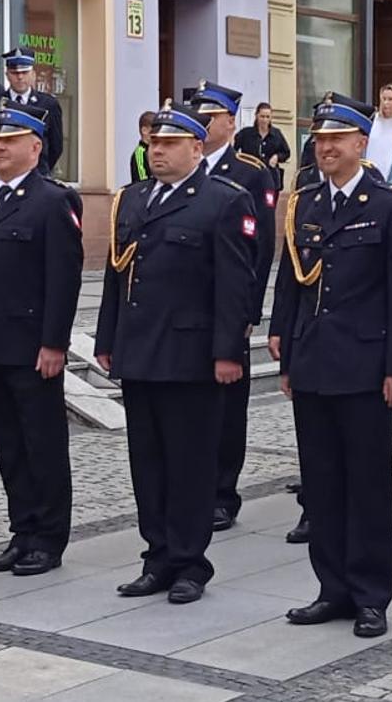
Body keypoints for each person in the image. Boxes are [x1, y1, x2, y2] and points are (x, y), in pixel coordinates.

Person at [270, 92, 392, 640]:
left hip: (365, 366)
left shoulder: (389, 205)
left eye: (337, 138)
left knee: (366, 484)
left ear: (362, 143)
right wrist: (284, 345)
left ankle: (370, 595)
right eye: (320, 139)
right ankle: (331, 587)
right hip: (313, 362)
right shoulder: (306, 203)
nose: (326, 147)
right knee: (322, 483)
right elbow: (292, 279)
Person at [95, 101, 255, 605]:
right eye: (153, 143)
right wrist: (106, 338)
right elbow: (116, 276)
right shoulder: (132, 199)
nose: (157, 150)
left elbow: (236, 285)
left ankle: (190, 563)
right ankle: (157, 555)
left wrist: (229, 351)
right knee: (148, 462)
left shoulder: (222, 201)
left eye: (168, 144)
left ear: (195, 147)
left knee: (190, 463)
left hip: (191, 355)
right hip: (140, 351)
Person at [0, 102, 83, 578]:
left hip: (31, 347)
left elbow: (63, 279)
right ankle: (21, 530)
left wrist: (54, 344)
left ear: (35, 146)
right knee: (8, 444)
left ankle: (48, 538)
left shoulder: (53, 201)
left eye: (9, 141)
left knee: (42, 444)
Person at [193, 81, 275, 533]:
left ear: (231, 121)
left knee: (228, 406)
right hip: (187, 311)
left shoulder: (251, 171)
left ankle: (224, 492)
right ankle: (197, 487)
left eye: (211, 118)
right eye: (199, 118)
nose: (204, 126)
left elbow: (260, 249)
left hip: (230, 308)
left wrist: (248, 312)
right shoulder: (183, 167)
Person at [0, 49, 64, 175]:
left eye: (25, 72)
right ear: (7, 74)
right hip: (2, 177)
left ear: (33, 74)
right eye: (14, 73)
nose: (20, 77)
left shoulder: (48, 104)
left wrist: (40, 168)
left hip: (37, 176)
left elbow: (56, 146)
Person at [235, 101, 293, 191]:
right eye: (262, 116)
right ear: (256, 116)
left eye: (267, 117)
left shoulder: (276, 134)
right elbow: (234, 150)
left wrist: (277, 157)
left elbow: (286, 152)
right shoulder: (246, 133)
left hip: (271, 179)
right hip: (249, 179)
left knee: (269, 204)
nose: (265, 120)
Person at [131, 110, 156, 183]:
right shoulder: (140, 153)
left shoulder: (155, 150)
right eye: (154, 130)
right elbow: (142, 181)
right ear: (144, 130)